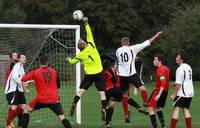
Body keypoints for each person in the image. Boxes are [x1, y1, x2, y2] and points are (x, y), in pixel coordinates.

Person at [67, 17, 107, 119]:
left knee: (80, 92)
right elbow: (89, 33)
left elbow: (73, 61)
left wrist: (68, 59)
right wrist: (86, 23)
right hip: (99, 73)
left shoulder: (80, 55)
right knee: (102, 94)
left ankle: (74, 103)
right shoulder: (91, 46)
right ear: (85, 44)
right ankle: (103, 108)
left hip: (89, 75)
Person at [21, 55, 72, 128]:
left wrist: (25, 89)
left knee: (26, 110)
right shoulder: (54, 71)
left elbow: (23, 79)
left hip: (41, 99)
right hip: (54, 100)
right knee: (62, 117)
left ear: (39, 62)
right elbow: (58, 86)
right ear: (47, 62)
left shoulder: (35, 72)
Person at [116, 31, 162, 107]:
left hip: (122, 76)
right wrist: (156, 36)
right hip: (131, 74)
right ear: (129, 43)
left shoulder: (118, 51)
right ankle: (145, 102)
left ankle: (127, 115)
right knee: (143, 89)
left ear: (121, 43)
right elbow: (146, 43)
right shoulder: (132, 48)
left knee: (125, 95)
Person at [103, 60, 148, 128]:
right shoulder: (113, 72)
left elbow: (131, 80)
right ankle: (109, 121)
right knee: (112, 105)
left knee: (126, 104)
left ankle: (127, 121)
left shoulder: (122, 72)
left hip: (122, 89)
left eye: (115, 66)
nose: (114, 67)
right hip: (117, 90)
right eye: (113, 66)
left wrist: (135, 89)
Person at [170, 52, 194, 128]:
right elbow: (185, 79)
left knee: (176, 109)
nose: (176, 58)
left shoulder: (180, 69)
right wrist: (175, 83)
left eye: (177, 57)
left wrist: (174, 94)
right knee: (186, 110)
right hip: (189, 93)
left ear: (182, 60)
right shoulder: (188, 67)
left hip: (182, 93)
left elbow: (178, 85)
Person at [4, 53, 27, 128]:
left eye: (25, 57)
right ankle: (8, 124)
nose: (24, 59)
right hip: (12, 90)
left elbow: (22, 79)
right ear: (19, 59)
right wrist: (23, 83)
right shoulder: (16, 66)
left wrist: (25, 83)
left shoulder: (21, 67)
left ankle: (10, 119)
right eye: (23, 57)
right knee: (14, 107)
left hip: (19, 90)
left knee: (23, 107)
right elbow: (15, 78)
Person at [148, 54, 170, 128]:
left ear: (160, 61)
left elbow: (163, 82)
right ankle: (163, 125)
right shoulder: (166, 68)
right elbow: (166, 81)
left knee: (150, 108)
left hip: (159, 91)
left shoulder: (160, 70)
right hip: (166, 91)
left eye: (155, 60)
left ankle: (155, 126)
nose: (153, 61)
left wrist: (159, 94)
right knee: (158, 108)